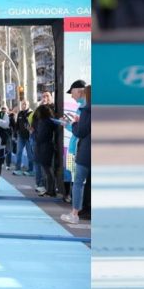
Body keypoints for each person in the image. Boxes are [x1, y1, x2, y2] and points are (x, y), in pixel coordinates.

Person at [60, 81, 90, 224]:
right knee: (79, 181)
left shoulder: (84, 109)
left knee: (77, 181)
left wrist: (70, 125)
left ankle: (76, 212)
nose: (72, 97)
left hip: (82, 150)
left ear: (80, 91)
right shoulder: (84, 108)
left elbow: (80, 131)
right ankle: (80, 209)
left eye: (72, 93)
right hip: (80, 149)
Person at [12, 100, 34, 176]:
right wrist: (15, 134)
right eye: (22, 104)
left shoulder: (31, 113)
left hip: (29, 137)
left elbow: (33, 125)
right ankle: (17, 169)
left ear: (28, 105)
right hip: (21, 136)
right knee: (18, 152)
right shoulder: (20, 113)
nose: (23, 105)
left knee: (30, 154)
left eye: (25, 104)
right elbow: (17, 124)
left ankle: (30, 170)